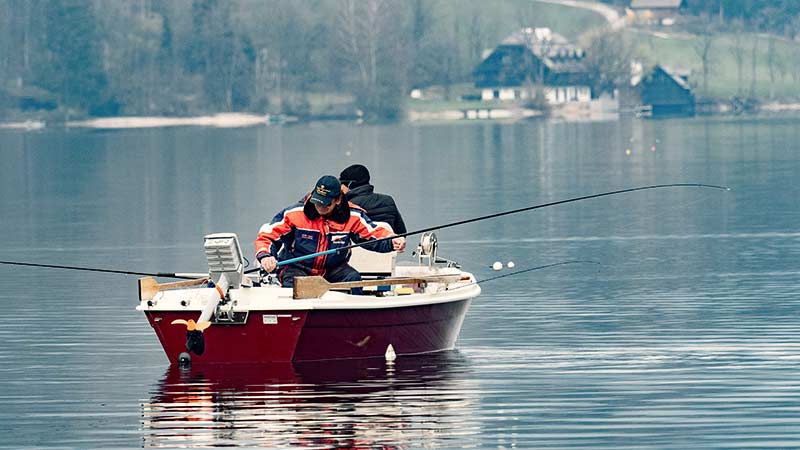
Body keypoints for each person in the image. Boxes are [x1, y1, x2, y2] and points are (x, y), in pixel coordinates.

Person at [255, 175, 406, 288]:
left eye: (325, 204)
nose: (320, 208)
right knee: (298, 286)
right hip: (297, 267)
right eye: (317, 202)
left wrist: (392, 240)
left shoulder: (353, 216)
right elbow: (267, 237)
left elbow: (373, 233)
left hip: (334, 268)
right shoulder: (294, 214)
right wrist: (266, 257)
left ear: (338, 200)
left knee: (353, 279)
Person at [339, 164, 407, 234]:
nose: (340, 188)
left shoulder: (347, 206)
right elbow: (401, 232)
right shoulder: (388, 201)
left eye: (342, 183)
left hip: (359, 244)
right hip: (388, 242)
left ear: (350, 184)